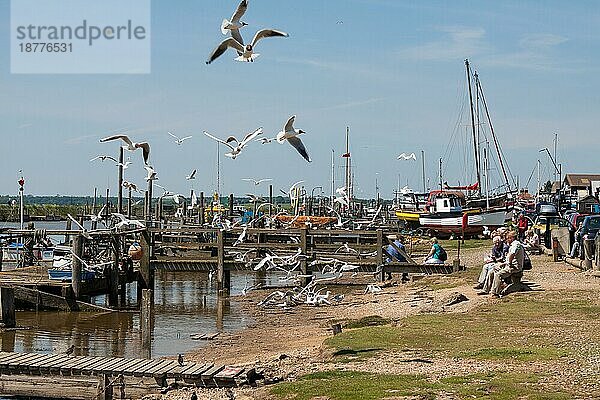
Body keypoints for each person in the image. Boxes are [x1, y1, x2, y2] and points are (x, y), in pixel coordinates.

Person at [479, 230, 525, 297]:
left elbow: (512, 254)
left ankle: (495, 293)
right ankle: (486, 289)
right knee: (492, 271)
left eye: (507, 238)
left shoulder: (516, 244)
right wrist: (503, 264)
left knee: (498, 275)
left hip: (514, 267)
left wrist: (509, 263)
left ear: (511, 238)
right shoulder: (513, 244)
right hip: (508, 265)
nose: (506, 240)